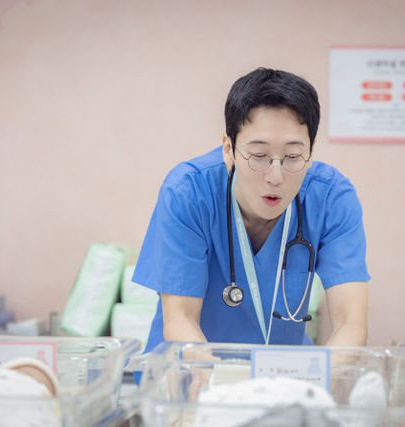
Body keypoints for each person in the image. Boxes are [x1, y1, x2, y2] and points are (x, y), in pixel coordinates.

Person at [133, 67, 370, 353]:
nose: (275, 176)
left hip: (281, 373)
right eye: (259, 155)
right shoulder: (189, 192)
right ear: (228, 149)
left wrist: (321, 375)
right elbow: (180, 318)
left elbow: (350, 325)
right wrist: (214, 374)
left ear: (310, 153)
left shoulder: (332, 198)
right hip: (189, 366)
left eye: (293, 156)